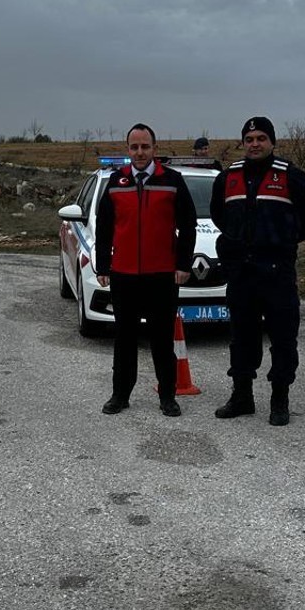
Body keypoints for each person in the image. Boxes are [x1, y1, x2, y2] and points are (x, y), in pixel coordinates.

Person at [211, 116, 305, 425]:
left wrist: (284, 240)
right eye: (249, 139)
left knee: (283, 339)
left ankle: (279, 400)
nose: (255, 144)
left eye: (261, 138)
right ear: (243, 143)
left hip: (277, 273)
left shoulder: (291, 176)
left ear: (272, 142)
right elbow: (220, 215)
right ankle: (242, 396)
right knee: (241, 339)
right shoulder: (228, 177)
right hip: (242, 274)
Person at [94, 123, 198, 417]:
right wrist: (103, 265)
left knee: (162, 339)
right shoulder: (116, 182)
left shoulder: (172, 181)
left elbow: (188, 225)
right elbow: (104, 227)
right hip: (124, 274)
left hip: (161, 275)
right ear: (128, 149)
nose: (140, 152)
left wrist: (183, 264)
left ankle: (168, 396)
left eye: (145, 146)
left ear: (155, 148)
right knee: (124, 339)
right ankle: (120, 395)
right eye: (134, 147)